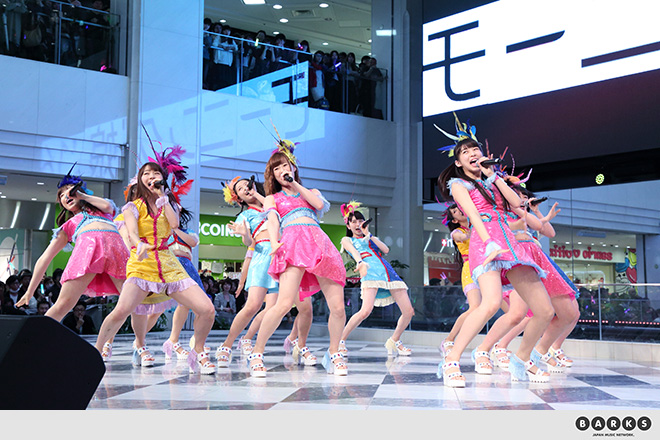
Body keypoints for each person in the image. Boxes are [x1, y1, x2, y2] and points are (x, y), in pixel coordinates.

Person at [435, 114, 554, 386]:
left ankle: (520, 359)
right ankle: (452, 359)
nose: (473, 154)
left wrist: (495, 177)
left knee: (544, 310)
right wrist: (488, 241)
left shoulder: (492, 180)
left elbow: (517, 204)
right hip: (485, 241)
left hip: (510, 243)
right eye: (466, 152)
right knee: (489, 303)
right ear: (458, 162)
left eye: (475, 149)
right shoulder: (459, 184)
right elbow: (473, 215)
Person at [93, 160, 216, 374]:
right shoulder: (132, 207)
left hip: (169, 263)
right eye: (146, 173)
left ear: (162, 179)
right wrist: (138, 244)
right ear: (141, 180)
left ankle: (198, 351)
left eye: (156, 173)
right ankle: (96, 351)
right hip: (142, 263)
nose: (151, 176)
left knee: (207, 309)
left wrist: (163, 198)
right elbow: (132, 232)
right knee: (122, 310)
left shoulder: (169, 203)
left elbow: (174, 225)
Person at [246, 134, 347, 377]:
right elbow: (272, 220)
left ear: (293, 167)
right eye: (277, 168)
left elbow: (319, 206)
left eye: (285, 165)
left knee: (338, 307)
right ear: (272, 175)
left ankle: (334, 353)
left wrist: (295, 184)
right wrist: (274, 242)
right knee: (283, 304)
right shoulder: (272, 198)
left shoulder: (310, 192)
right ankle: (257, 353)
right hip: (292, 245)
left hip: (319, 244)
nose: (282, 170)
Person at [16, 166, 129, 324]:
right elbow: (44, 258)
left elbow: (108, 206)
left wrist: (82, 195)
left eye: (69, 191)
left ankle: (121, 339)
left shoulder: (104, 211)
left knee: (132, 303)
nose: (66, 196)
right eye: (61, 195)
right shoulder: (68, 226)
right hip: (85, 259)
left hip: (117, 255)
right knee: (63, 305)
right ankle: (39, 336)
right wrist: (30, 291)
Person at [338, 201, 414, 357]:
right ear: (348, 225)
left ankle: (394, 340)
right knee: (365, 311)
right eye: (354, 222)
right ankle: (340, 340)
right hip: (370, 273)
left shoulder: (370, 238)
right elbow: (354, 252)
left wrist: (369, 235)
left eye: (360, 221)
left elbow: (386, 249)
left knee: (408, 311)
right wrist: (360, 262)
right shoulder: (347, 240)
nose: (358, 224)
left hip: (388, 273)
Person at [438, 203, 483, 361]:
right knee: (475, 307)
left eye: (459, 208)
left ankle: (495, 346)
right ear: (455, 220)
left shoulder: (478, 225)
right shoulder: (457, 232)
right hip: (471, 269)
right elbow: (463, 237)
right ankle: (449, 339)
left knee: (500, 306)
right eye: (455, 211)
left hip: (488, 268)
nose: (460, 211)